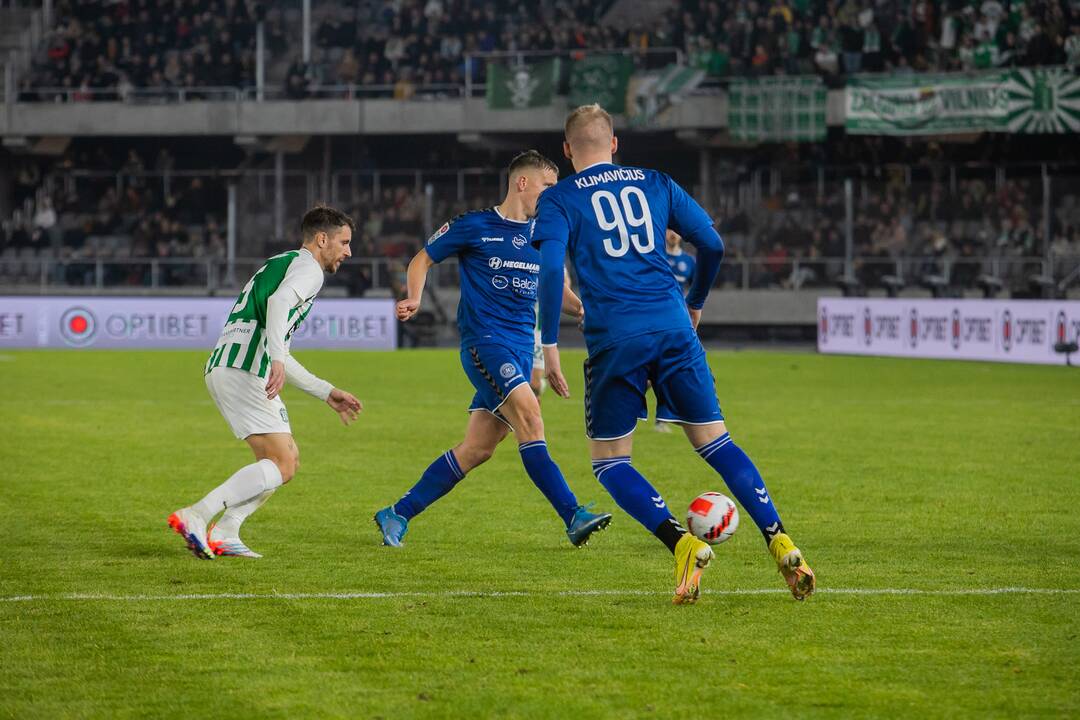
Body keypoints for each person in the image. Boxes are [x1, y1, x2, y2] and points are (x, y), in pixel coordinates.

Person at [532, 105, 815, 604]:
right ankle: (781, 539)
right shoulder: (657, 182)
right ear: (615, 144)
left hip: (616, 338)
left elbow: (552, 270)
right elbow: (712, 243)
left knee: (610, 462)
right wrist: (696, 304)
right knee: (717, 443)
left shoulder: (559, 198)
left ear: (567, 149)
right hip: (672, 325)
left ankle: (681, 544)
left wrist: (550, 344)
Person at [374, 150, 612, 548]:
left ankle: (397, 513)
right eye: (547, 186)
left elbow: (557, 291)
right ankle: (573, 515)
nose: (553, 195)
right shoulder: (474, 225)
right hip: (486, 345)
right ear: (522, 183)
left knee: (477, 449)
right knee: (532, 420)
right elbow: (422, 259)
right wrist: (414, 297)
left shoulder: (544, 235)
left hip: (519, 352)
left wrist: (585, 310)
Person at [168, 206, 363, 559]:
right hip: (246, 369)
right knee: (283, 464)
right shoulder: (309, 270)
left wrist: (324, 391)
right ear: (322, 240)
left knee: (281, 462)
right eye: (344, 242)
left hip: (229, 364)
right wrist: (274, 358)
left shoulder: (282, 262)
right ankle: (196, 515)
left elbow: (280, 346)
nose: (349, 252)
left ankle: (226, 532)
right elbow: (280, 304)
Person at [530, 267, 580, 398]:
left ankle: (533, 412)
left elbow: (564, 281)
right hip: (517, 323)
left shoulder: (545, 253)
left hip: (538, 328)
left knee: (534, 384)